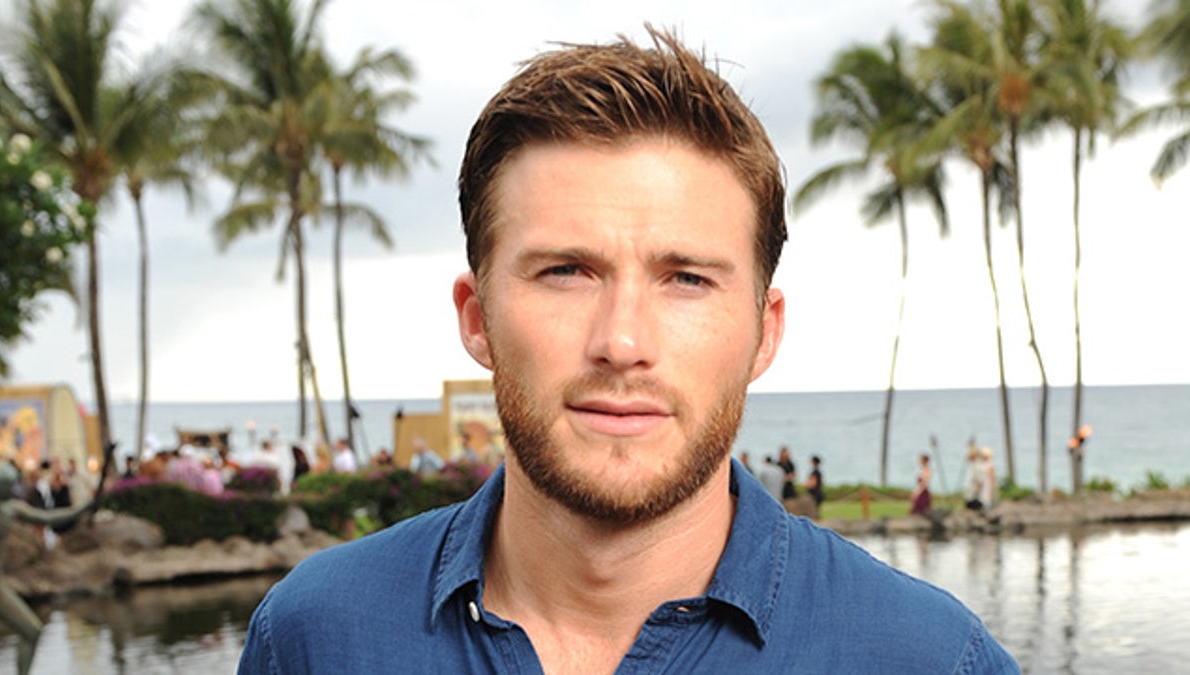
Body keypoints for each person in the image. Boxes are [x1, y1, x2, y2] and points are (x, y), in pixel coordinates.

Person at [239, 28, 1017, 673]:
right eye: (566, 272)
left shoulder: (929, 658)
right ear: (476, 318)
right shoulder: (316, 637)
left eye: (685, 278)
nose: (622, 342)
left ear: (763, 332)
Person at [0, 460, 96, 674]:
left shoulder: (10, 510)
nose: (12, 490)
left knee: (32, 632)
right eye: (7, 486)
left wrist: (81, 509)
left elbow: (48, 517)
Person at [964, 441, 985, 511]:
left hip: (975, 497)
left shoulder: (977, 466)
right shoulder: (973, 465)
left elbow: (980, 482)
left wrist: (975, 495)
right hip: (971, 496)